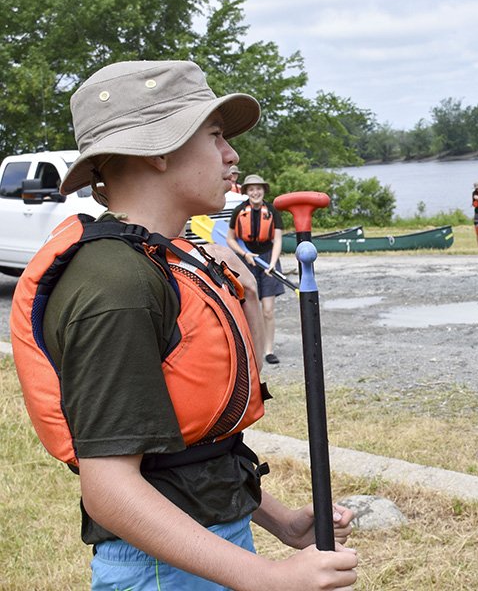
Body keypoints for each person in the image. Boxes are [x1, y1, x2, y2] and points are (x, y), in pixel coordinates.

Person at [10, 60, 357, 590]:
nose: (232, 155)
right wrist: (265, 578)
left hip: (206, 546)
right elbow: (109, 488)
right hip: (159, 570)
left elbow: (188, 455)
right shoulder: (114, 285)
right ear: (158, 149)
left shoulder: (164, 259)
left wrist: (282, 523)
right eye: (215, 135)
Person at [228, 173, 286, 365]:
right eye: (251, 189)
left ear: (263, 190)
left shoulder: (271, 211)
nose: (255, 192)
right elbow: (230, 239)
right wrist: (244, 254)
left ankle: (269, 350)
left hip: (268, 259)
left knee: (268, 310)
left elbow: (277, 239)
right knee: (250, 308)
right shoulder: (239, 211)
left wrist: (272, 263)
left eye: (258, 188)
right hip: (247, 259)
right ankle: (253, 347)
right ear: (246, 192)